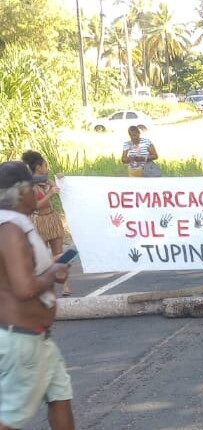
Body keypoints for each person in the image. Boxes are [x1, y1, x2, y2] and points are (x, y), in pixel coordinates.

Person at [0, 161, 75, 430]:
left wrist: (49, 271)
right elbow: (25, 289)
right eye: (33, 189)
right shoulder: (11, 230)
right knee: (10, 417)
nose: (37, 194)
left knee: (60, 397)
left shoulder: (11, 227)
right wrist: (53, 273)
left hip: (36, 337)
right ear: (21, 193)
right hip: (23, 340)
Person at [20, 151, 70, 297]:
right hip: (39, 221)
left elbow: (62, 189)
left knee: (59, 254)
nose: (47, 168)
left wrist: (62, 179)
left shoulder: (47, 181)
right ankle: (44, 287)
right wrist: (50, 194)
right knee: (41, 258)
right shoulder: (30, 185)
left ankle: (66, 286)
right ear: (38, 167)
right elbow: (35, 205)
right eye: (45, 165)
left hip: (52, 218)